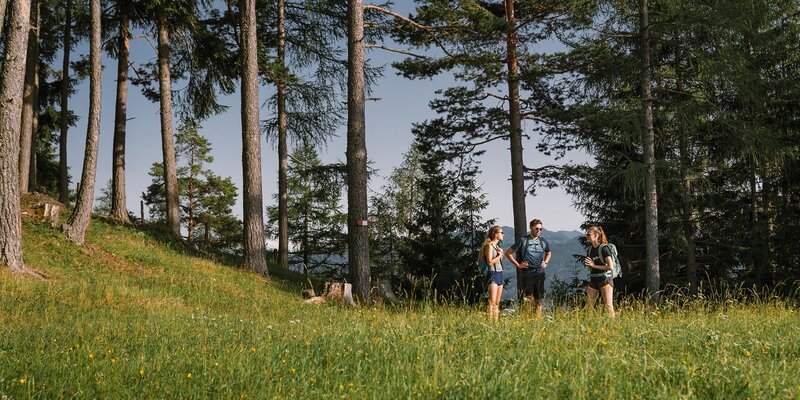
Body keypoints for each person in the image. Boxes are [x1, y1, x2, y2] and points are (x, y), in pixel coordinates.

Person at [506, 219, 551, 318]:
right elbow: (508, 253)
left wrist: (546, 262)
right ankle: (527, 320)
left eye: (540, 229)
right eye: (536, 228)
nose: (538, 230)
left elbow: (548, 252)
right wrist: (518, 265)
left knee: (538, 300)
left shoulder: (543, 241)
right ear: (530, 228)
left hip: (540, 272)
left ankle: (537, 321)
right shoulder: (523, 240)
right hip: (528, 273)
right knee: (528, 299)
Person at [583, 226, 616, 318]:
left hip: (605, 279)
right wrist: (589, 265)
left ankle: (614, 327)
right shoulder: (589, 250)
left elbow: (610, 266)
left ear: (596, 235)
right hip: (594, 278)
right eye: (587, 234)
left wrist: (594, 266)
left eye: (589, 234)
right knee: (588, 307)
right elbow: (592, 266)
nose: (587, 236)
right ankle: (588, 327)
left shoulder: (604, 248)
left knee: (608, 306)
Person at [479, 226, 505, 321]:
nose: (503, 234)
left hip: (500, 273)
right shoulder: (489, 246)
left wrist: (500, 254)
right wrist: (500, 255)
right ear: (495, 234)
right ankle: (490, 322)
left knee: (497, 302)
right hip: (492, 273)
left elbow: (498, 261)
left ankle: (496, 323)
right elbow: (490, 262)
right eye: (501, 233)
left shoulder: (497, 247)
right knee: (492, 301)